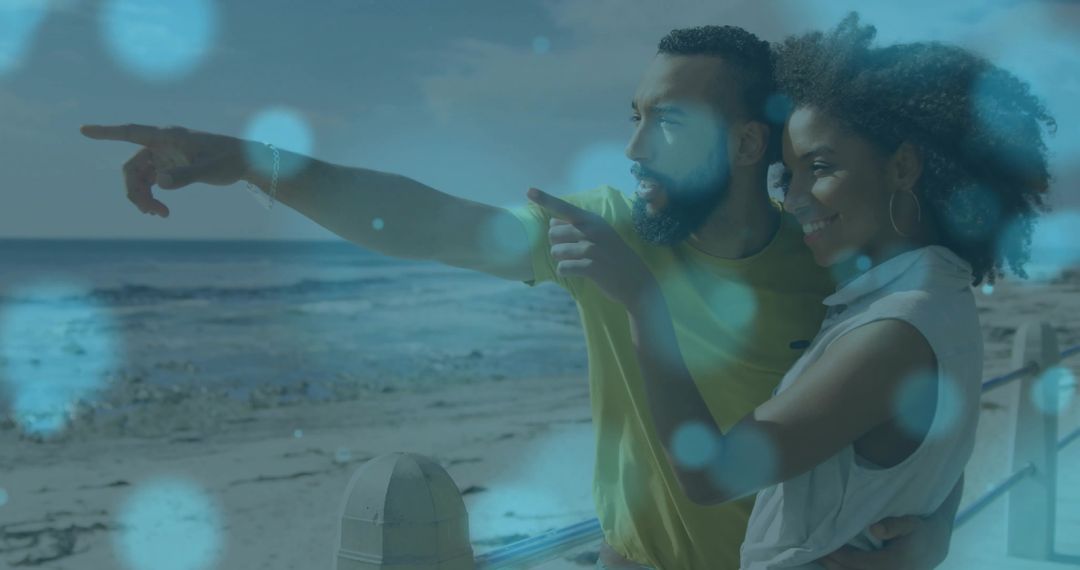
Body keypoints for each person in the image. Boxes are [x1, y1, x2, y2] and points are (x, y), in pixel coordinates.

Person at [80, 24, 962, 570]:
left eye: (668, 122)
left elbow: (923, 411)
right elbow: (426, 219)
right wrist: (244, 158)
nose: (635, 147)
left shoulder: (827, 265)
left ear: (741, 145)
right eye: (633, 115)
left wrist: (932, 535)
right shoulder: (602, 230)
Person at [525, 14, 1055, 569]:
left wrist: (643, 301)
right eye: (790, 175)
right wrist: (937, 526)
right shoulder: (933, 296)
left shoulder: (895, 330)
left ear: (902, 166)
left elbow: (711, 475)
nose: (796, 198)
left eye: (820, 168)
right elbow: (928, 445)